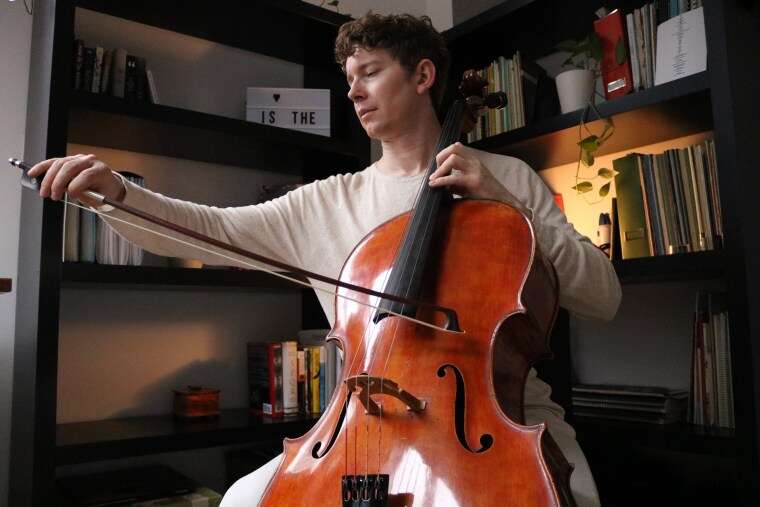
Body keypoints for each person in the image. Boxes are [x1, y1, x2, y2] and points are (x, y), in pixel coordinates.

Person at [29, 12, 621, 507]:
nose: (354, 92)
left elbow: (603, 296)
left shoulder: (508, 178)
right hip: (362, 426)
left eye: (369, 73)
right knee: (241, 500)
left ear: (422, 75)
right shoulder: (329, 200)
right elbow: (206, 231)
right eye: (348, 79)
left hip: (505, 419)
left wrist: (505, 200)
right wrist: (119, 195)